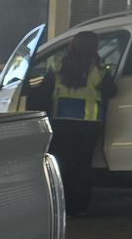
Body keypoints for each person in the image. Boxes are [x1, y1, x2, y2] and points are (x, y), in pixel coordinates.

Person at [41, 31, 115, 214]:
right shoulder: (99, 69)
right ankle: (80, 207)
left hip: (62, 122)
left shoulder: (57, 64)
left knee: (64, 165)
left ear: (72, 45)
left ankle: (62, 206)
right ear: (94, 47)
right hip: (88, 124)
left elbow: (43, 90)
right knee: (83, 166)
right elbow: (111, 90)